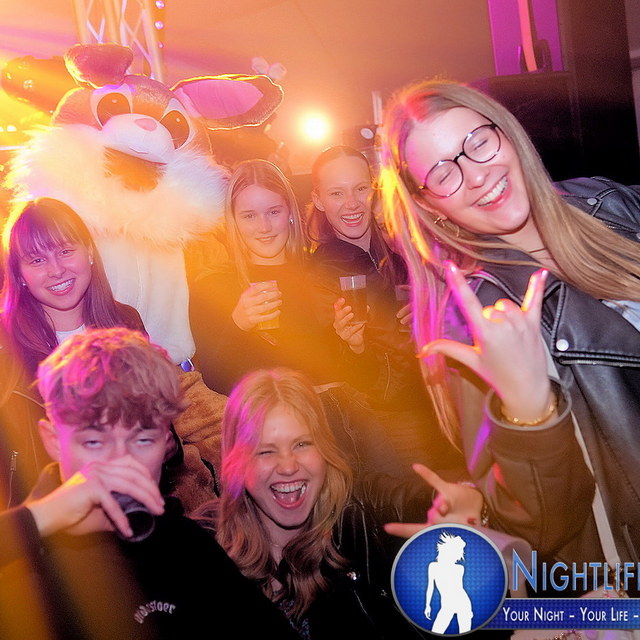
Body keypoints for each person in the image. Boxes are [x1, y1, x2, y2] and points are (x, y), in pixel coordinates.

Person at [378, 78, 640, 575]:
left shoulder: (607, 202)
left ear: (508, 132)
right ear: (431, 205)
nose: (477, 175)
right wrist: (529, 413)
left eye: (478, 142)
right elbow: (544, 528)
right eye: (443, 173)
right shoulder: (478, 321)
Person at [0, 327, 297, 640]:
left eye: (142, 440)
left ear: (166, 442)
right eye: (94, 442)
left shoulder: (183, 543)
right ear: (53, 441)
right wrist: (40, 519)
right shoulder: (22, 556)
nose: (121, 462)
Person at [193, 366, 445, 639]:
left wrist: (460, 504)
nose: (288, 466)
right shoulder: (203, 545)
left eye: (302, 444)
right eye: (265, 451)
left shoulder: (355, 508)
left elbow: (416, 500)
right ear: (237, 462)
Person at [0, 197, 220, 511]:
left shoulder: (125, 322)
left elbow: (161, 430)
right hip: (54, 524)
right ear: (19, 273)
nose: (56, 270)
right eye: (37, 260)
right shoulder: (6, 348)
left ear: (89, 252)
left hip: (139, 508)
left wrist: (167, 449)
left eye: (65, 251)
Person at [188, 159, 403, 478]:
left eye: (273, 211)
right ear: (233, 220)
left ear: (290, 212)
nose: (263, 226)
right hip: (277, 438)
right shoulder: (214, 285)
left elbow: (363, 377)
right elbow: (213, 384)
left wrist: (356, 345)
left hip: (350, 422)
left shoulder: (321, 272)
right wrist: (237, 325)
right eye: (249, 215)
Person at [307, 145, 461, 472]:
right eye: (336, 193)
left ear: (374, 188)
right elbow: (333, 366)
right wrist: (354, 348)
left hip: (450, 397)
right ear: (318, 200)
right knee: (425, 498)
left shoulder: (402, 245)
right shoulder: (320, 271)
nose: (351, 203)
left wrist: (431, 307)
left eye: (360, 188)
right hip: (397, 415)